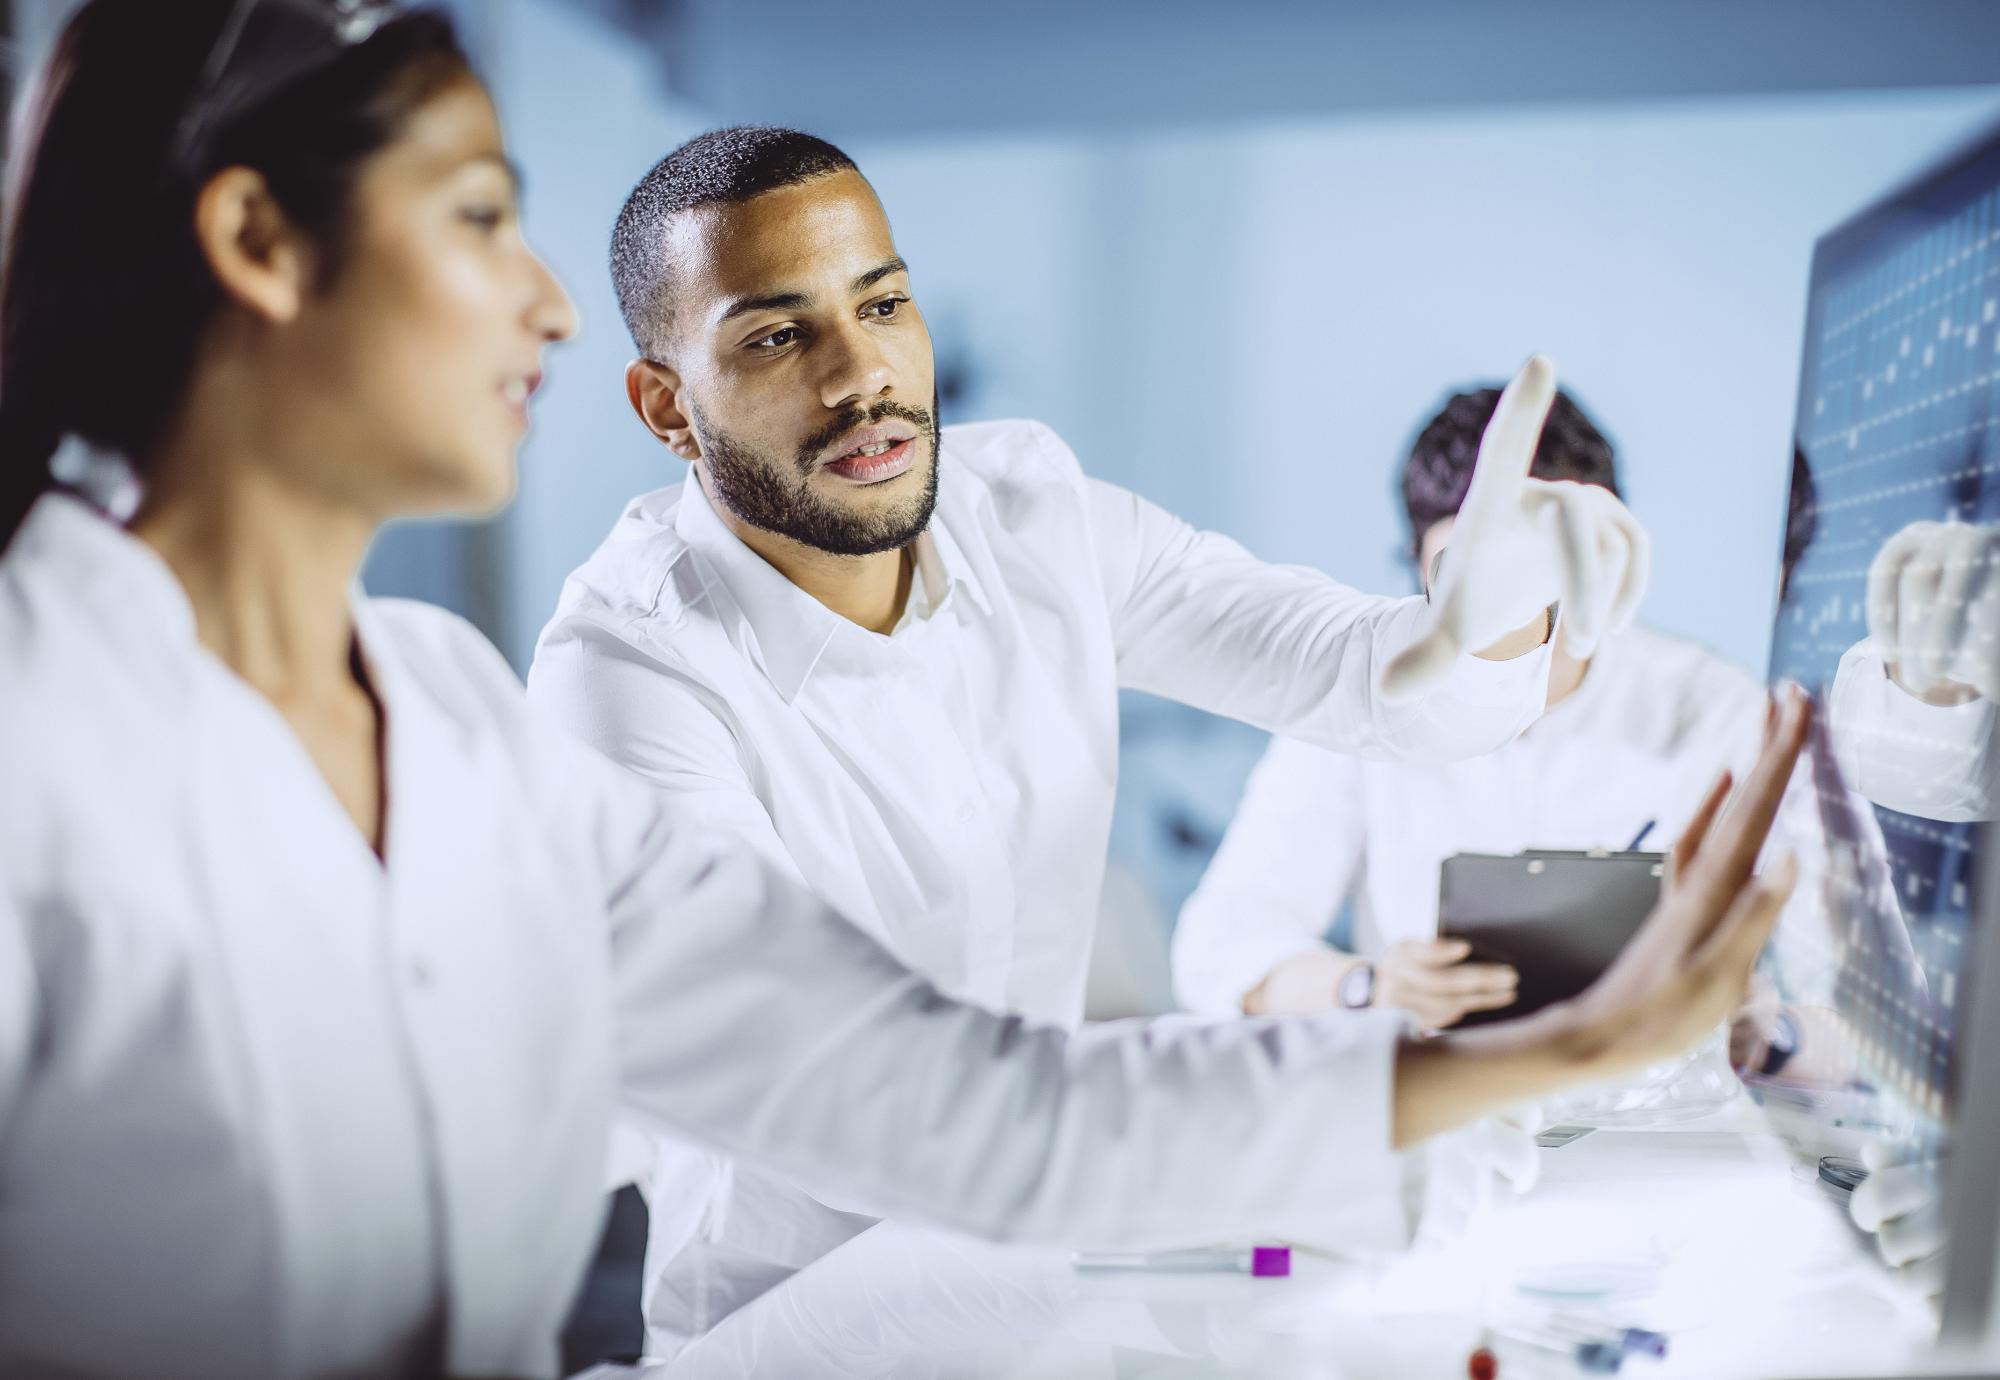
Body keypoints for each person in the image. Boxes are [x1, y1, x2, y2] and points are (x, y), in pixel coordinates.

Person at [0, 7, 1803, 1378]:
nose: (541, 304)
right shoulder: (94, 738)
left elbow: (994, 1111)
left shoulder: (443, 718)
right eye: (481, 217)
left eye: (883, 304)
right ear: (259, 245)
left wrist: (1486, 663)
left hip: (1014, 1278)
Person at [524, 129, 1650, 1355]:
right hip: (800, 1330)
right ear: (665, 409)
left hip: (1052, 1268)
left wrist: (1480, 623)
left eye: (884, 303)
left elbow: (1375, 683)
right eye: (777, 335)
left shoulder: (1030, 514)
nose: (864, 375)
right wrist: (1353, 1112)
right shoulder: (625, 676)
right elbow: (880, 1104)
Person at [1171, 387, 1767, 1030]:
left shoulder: (1714, 706)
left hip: (1645, 1102)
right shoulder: (1356, 701)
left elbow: (1819, 964)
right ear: (1419, 573)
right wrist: (1366, 987)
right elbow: (1216, 948)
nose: (1501, 614)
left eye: (1528, 576)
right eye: (1465, 580)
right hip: (1435, 1092)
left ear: (1604, 557)